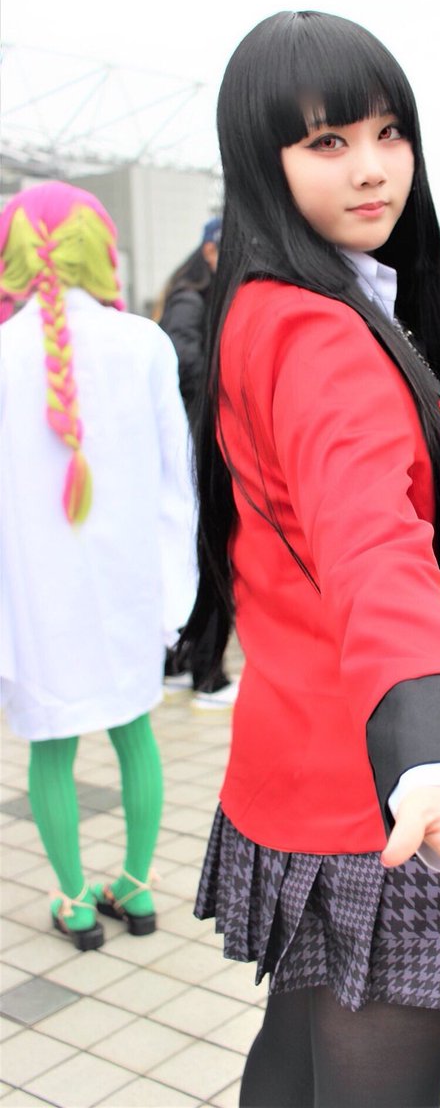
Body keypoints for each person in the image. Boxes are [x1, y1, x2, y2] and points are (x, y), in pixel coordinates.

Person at [182, 11, 440, 1108]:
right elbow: (372, 551)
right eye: (326, 142)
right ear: (262, 158)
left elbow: (314, 515)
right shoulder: (323, 329)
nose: (372, 169)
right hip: (374, 790)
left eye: (388, 133)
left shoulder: (268, 304)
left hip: (297, 755)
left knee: (292, 1065)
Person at [0, 182, 196, 949]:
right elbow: (178, 479)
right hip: (128, 587)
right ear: (98, 248)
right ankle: (138, 889)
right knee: (132, 730)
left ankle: (75, 903)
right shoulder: (144, 343)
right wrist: (175, 592)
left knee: (52, 740)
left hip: (33, 597)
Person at [157, 218, 238, 709]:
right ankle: (208, 675)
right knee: (208, 557)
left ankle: (179, 665)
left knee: (193, 555)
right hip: (198, 449)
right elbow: (184, 366)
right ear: (209, 250)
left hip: (194, 448)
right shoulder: (192, 300)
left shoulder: (196, 296)